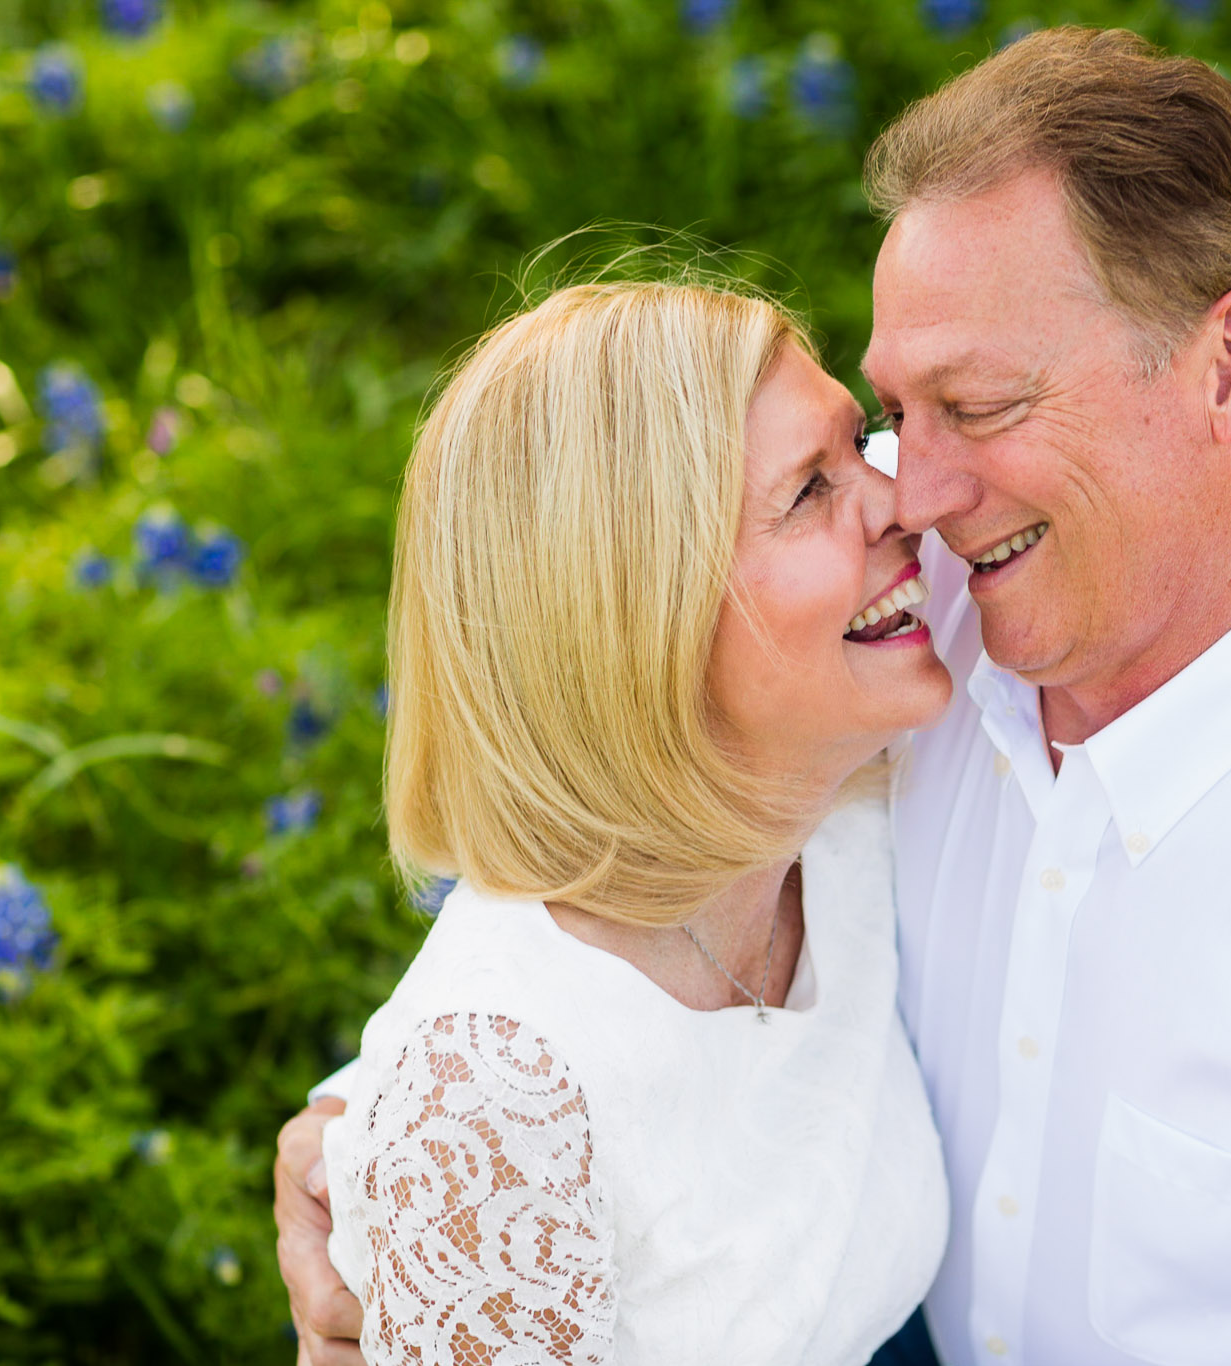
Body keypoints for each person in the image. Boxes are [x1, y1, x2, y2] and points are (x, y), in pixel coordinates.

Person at [281, 26, 1231, 1366]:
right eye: (891, 416)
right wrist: (401, 1152)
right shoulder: (922, 664)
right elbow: (624, 862)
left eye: (976, 409)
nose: (912, 494)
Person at [286, 279, 953, 1365]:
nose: (901, 502)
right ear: (645, 620)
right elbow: (503, 1054)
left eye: (860, 444)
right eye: (808, 490)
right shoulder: (490, 1101)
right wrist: (400, 1156)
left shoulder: (846, 808)